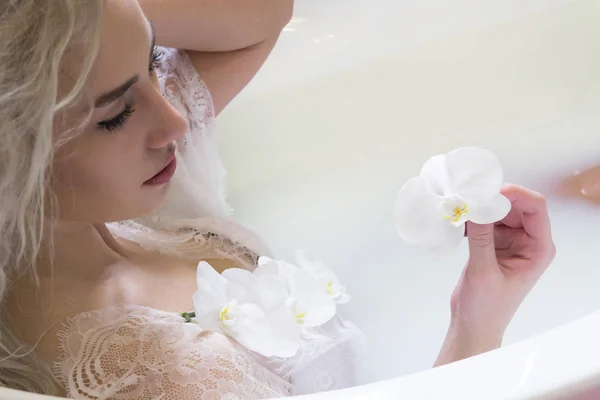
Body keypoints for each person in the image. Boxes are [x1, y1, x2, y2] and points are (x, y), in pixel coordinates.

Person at [0, 0, 556, 398]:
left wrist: (72, 14)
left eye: (150, 63)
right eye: (117, 113)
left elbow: (263, 12)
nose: (173, 119)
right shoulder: (166, 370)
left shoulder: (102, 207)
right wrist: (477, 330)